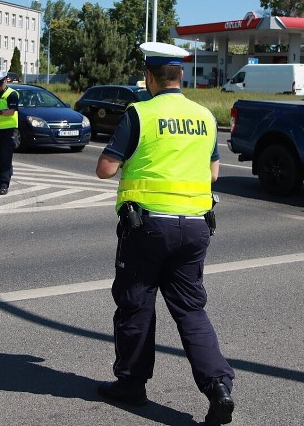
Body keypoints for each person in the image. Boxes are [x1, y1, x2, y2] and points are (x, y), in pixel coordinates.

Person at [95, 42, 235, 426]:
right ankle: (218, 387)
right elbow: (213, 175)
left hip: (148, 228)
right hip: (195, 226)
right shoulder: (205, 117)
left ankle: (131, 384)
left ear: (150, 77)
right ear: (182, 76)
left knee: (136, 304)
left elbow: (105, 169)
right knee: (191, 310)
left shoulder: (140, 113)